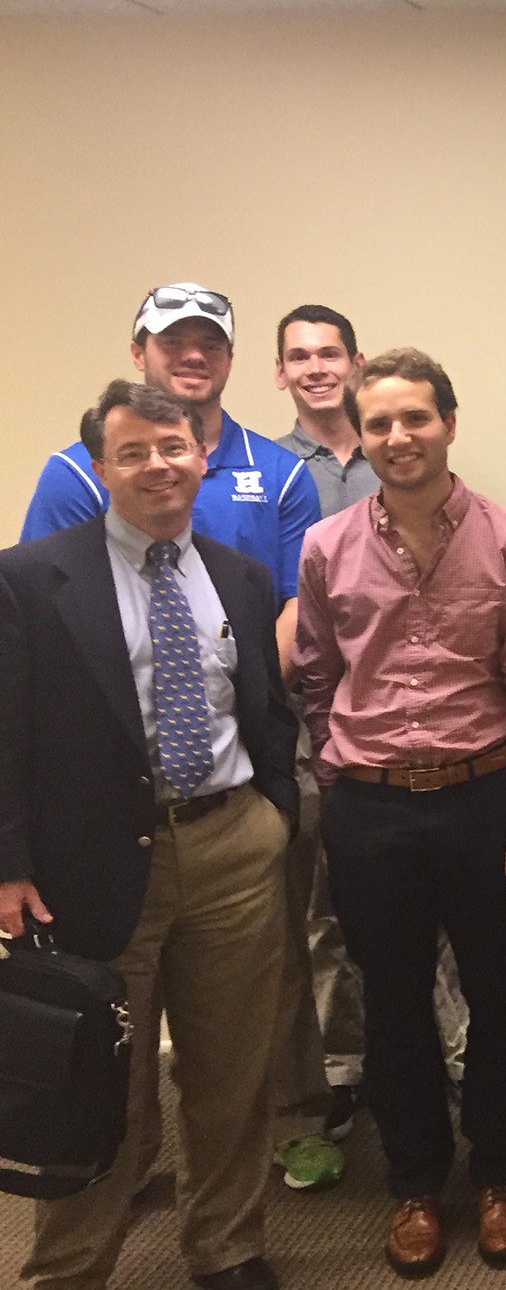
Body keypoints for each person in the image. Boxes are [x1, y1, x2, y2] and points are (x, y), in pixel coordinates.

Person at [1, 380, 299, 1290]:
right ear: (102, 469)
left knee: (230, 1071)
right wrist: (7, 861)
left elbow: (263, 711)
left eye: (173, 448)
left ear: (201, 456)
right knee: (99, 1080)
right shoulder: (30, 578)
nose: (157, 466)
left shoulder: (238, 576)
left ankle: (227, 1249)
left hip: (231, 848)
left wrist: (275, 815)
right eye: (133, 453)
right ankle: (70, 1269)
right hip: (92, 861)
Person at [295, 349, 506, 1277]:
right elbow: (321, 678)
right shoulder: (326, 547)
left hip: (487, 801)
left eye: (416, 418)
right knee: (393, 1004)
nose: (399, 437)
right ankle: (414, 1185)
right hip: (371, 810)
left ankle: (497, 1172)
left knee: (500, 994)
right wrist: (341, 777)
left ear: (449, 422)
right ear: (361, 436)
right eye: (380, 424)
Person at [21, 285, 321, 662]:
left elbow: (298, 603)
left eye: (211, 345)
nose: (193, 355)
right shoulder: (77, 473)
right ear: (138, 354)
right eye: (173, 342)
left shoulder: (283, 473)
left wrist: (252, 700)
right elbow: (43, 606)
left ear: (230, 359)